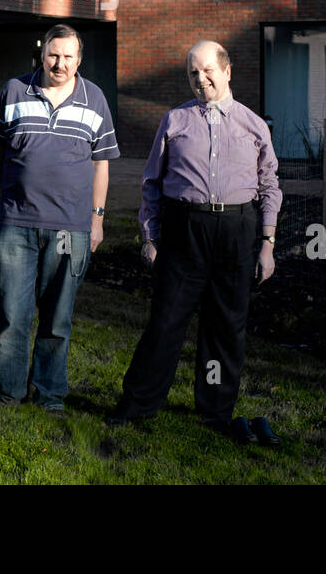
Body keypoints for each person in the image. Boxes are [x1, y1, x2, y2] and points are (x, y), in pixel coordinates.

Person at [107, 40, 283, 445]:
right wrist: (150, 237)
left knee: (226, 326)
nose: (200, 79)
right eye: (192, 73)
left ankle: (215, 409)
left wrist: (268, 243)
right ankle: (138, 403)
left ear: (226, 71)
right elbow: (151, 182)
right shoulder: (174, 122)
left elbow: (270, 186)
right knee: (166, 320)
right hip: (184, 230)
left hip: (237, 232)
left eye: (207, 70)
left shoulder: (254, 125)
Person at [0, 24, 119, 412]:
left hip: (70, 228)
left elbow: (102, 163)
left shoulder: (95, 100)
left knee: (57, 321)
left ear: (79, 60)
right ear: (42, 54)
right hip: (15, 222)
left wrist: (97, 218)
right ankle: (8, 393)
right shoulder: (13, 91)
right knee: (12, 316)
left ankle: (50, 394)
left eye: (68, 57)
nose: (60, 64)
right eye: (53, 55)